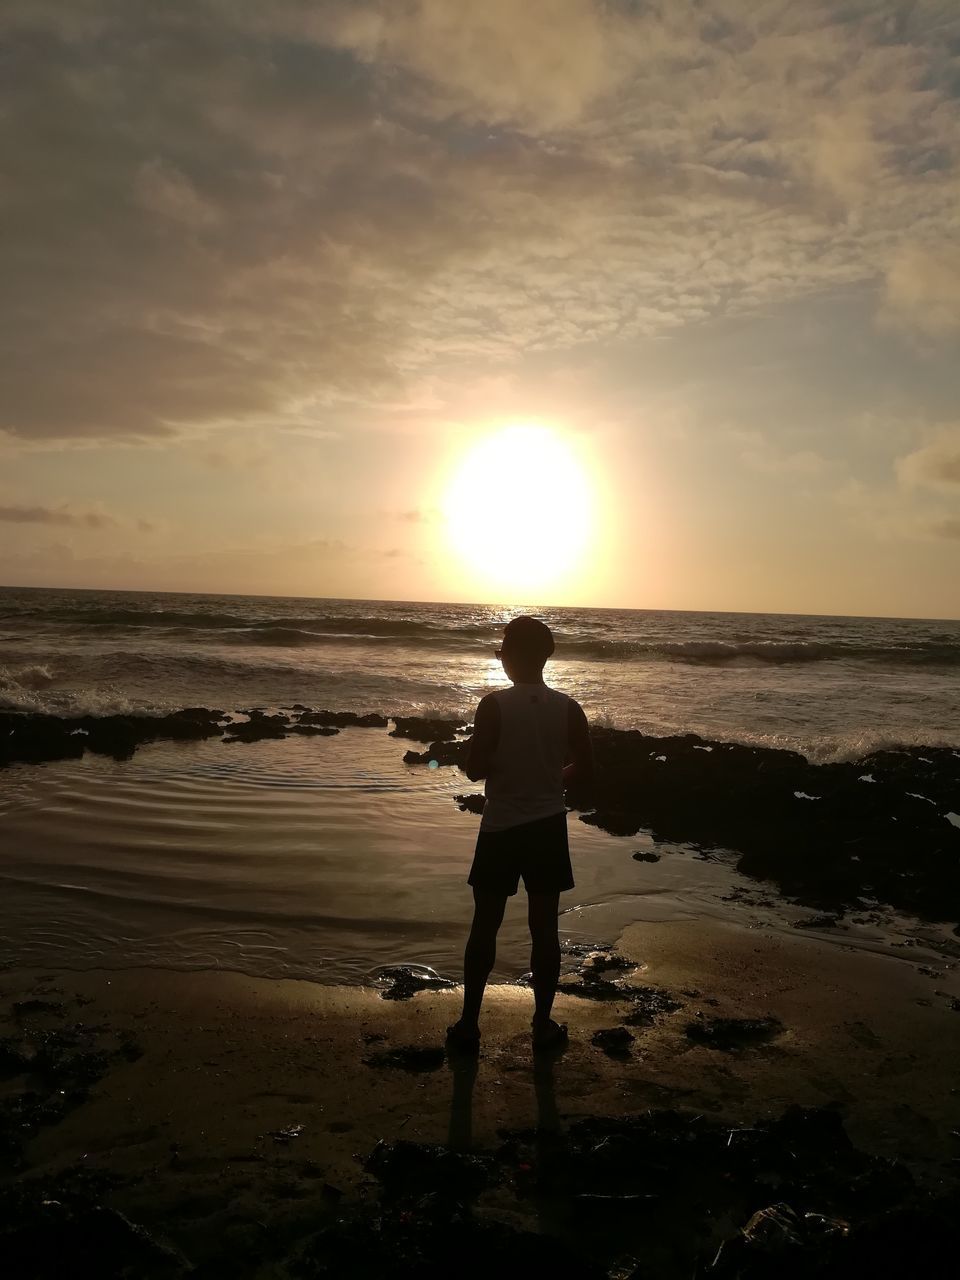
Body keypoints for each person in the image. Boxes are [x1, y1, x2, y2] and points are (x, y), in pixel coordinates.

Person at [446, 615, 593, 1053]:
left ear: (510, 658)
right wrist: (550, 776)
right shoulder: (569, 708)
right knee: (544, 929)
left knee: (485, 926)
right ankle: (542, 1026)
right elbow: (586, 769)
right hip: (548, 826)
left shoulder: (493, 705)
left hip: (500, 828)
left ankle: (470, 1026)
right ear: (544, 657)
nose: (501, 659)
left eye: (501, 652)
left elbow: (475, 770)